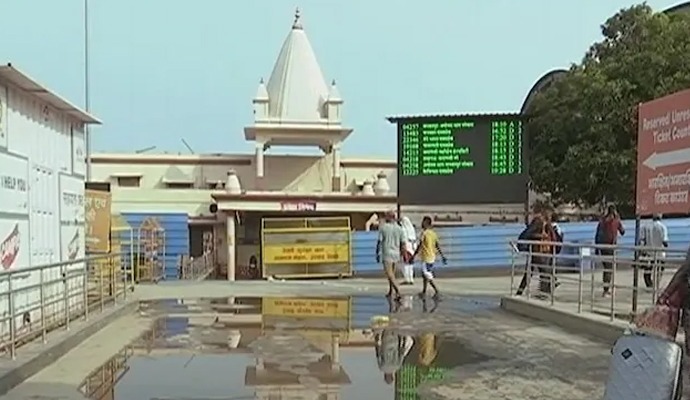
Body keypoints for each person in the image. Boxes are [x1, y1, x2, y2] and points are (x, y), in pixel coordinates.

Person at [515, 211, 558, 296]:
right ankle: (545, 292)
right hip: (538, 252)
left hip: (543, 252)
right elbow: (527, 235)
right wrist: (541, 236)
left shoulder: (546, 224)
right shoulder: (538, 222)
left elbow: (554, 238)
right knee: (543, 272)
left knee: (534, 273)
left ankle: (521, 292)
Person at [412, 216, 447, 299]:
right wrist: (442, 256)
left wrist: (413, 256)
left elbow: (420, 245)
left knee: (427, 274)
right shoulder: (433, 234)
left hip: (426, 257)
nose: (421, 224)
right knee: (424, 275)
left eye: (423, 222)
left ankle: (437, 291)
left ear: (426, 223)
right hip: (432, 257)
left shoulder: (424, 233)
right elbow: (437, 245)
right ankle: (424, 291)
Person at [595, 204, 625, 297]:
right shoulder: (616, 220)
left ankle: (606, 288)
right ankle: (606, 290)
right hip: (611, 247)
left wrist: (596, 249)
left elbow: (597, 235)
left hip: (602, 247)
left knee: (606, 268)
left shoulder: (602, 221)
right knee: (609, 268)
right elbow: (623, 231)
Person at [376, 211, 406, 300]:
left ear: (389, 217)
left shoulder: (383, 228)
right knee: (392, 273)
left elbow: (379, 242)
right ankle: (390, 291)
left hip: (387, 253)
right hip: (396, 253)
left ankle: (398, 291)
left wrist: (377, 252)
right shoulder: (400, 229)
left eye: (386, 216)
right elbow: (403, 243)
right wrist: (403, 253)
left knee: (389, 274)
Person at [639, 213, 669, 289]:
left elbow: (642, 240)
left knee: (648, 270)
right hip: (660, 253)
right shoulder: (663, 227)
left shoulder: (646, 226)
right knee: (660, 269)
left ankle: (649, 285)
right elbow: (665, 242)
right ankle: (656, 283)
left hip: (649, 252)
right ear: (660, 217)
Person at [399, 216, 417, 285]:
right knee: (411, 264)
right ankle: (411, 278)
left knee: (405, 263)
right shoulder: (412, 229)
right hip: (413, 247)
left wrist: (402, 249)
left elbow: (403, 240)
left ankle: (407, 279)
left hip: (407, 246)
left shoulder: (403, 229)